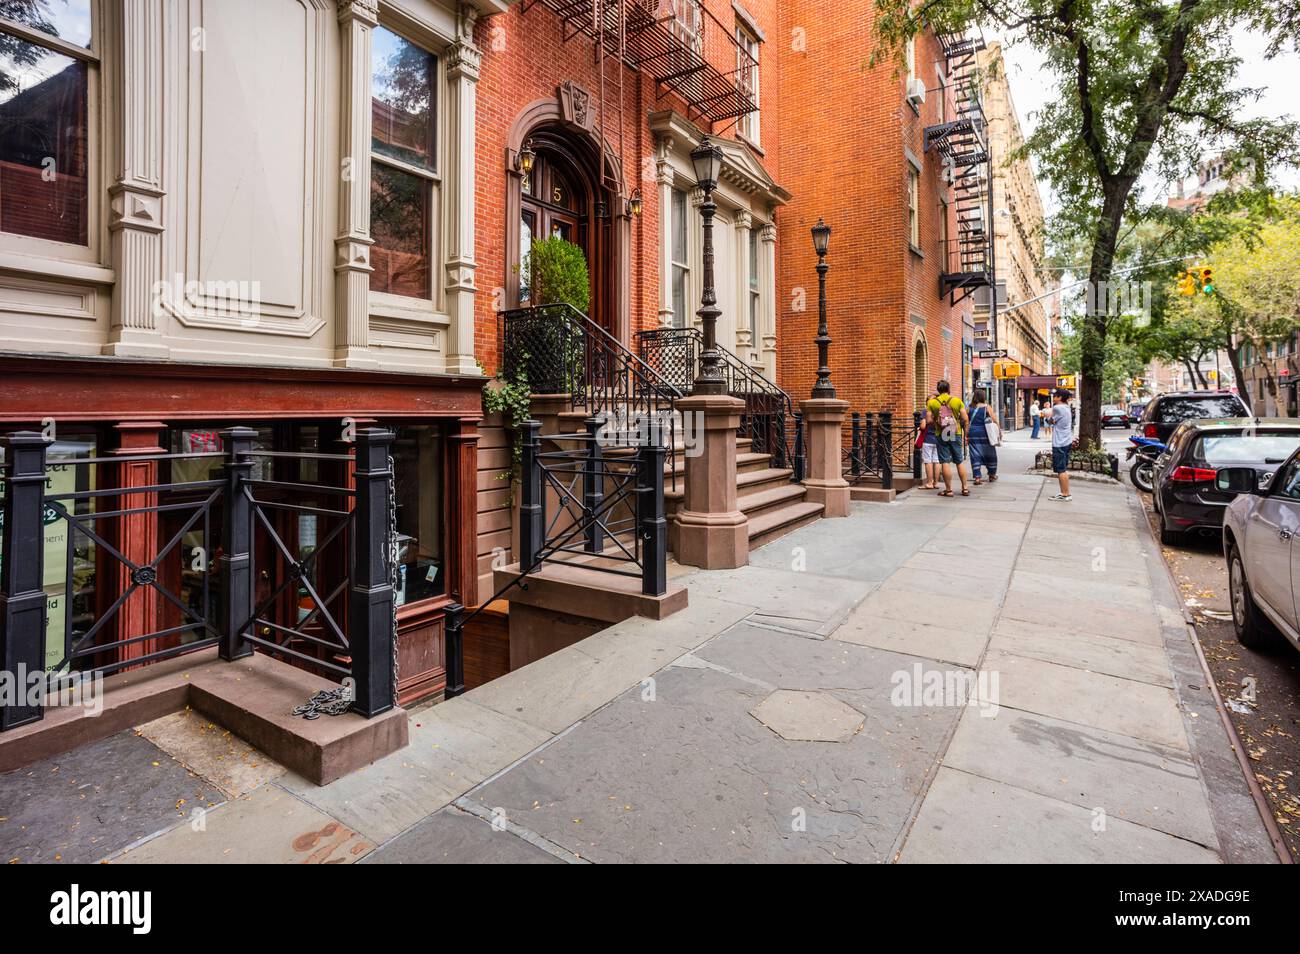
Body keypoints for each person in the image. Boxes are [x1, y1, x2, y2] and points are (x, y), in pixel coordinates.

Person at [926, 379, 970, 497]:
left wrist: (937, 420)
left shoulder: (932, 403)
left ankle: (949, 490)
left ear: (938, 390)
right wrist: (966, 433)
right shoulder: (957, 401)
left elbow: (929, 420)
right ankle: (965, 488)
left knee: (945, 461)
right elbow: (965, 419)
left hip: (941, 434)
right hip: (956, 433)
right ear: (948, 389)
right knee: (959, 461)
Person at [968, 389, 998, 484]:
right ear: (983, 397)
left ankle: (977, 477)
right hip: (986, 433)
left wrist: (966, 433)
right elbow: (994, 420)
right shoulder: (987, 407)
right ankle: (992, 475)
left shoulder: (969, 408)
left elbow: (964, 420)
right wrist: (999, 432)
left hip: (973, 433)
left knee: (974, 454)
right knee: (990, 453)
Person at [1048, 388, 1073, 501]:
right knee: (1063, 469)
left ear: (1060, 397)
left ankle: (1065, 494)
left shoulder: (1057, 408)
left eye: (1055, 396)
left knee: (1061, 469)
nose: (1054, 397)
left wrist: (1047, 416)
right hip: (1066, 441)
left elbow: (1050, 420)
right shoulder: (1067, 408)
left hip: (1060, 442)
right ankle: (1065, 493)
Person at [916, 412, 940, 489]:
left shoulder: (925, 411)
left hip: (927, 440)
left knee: (928, 461)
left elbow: (923, 426)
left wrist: (919, 427)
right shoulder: (940, 410)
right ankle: (936, 483)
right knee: (937, 461)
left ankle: (929, 483)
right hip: (938, 440)